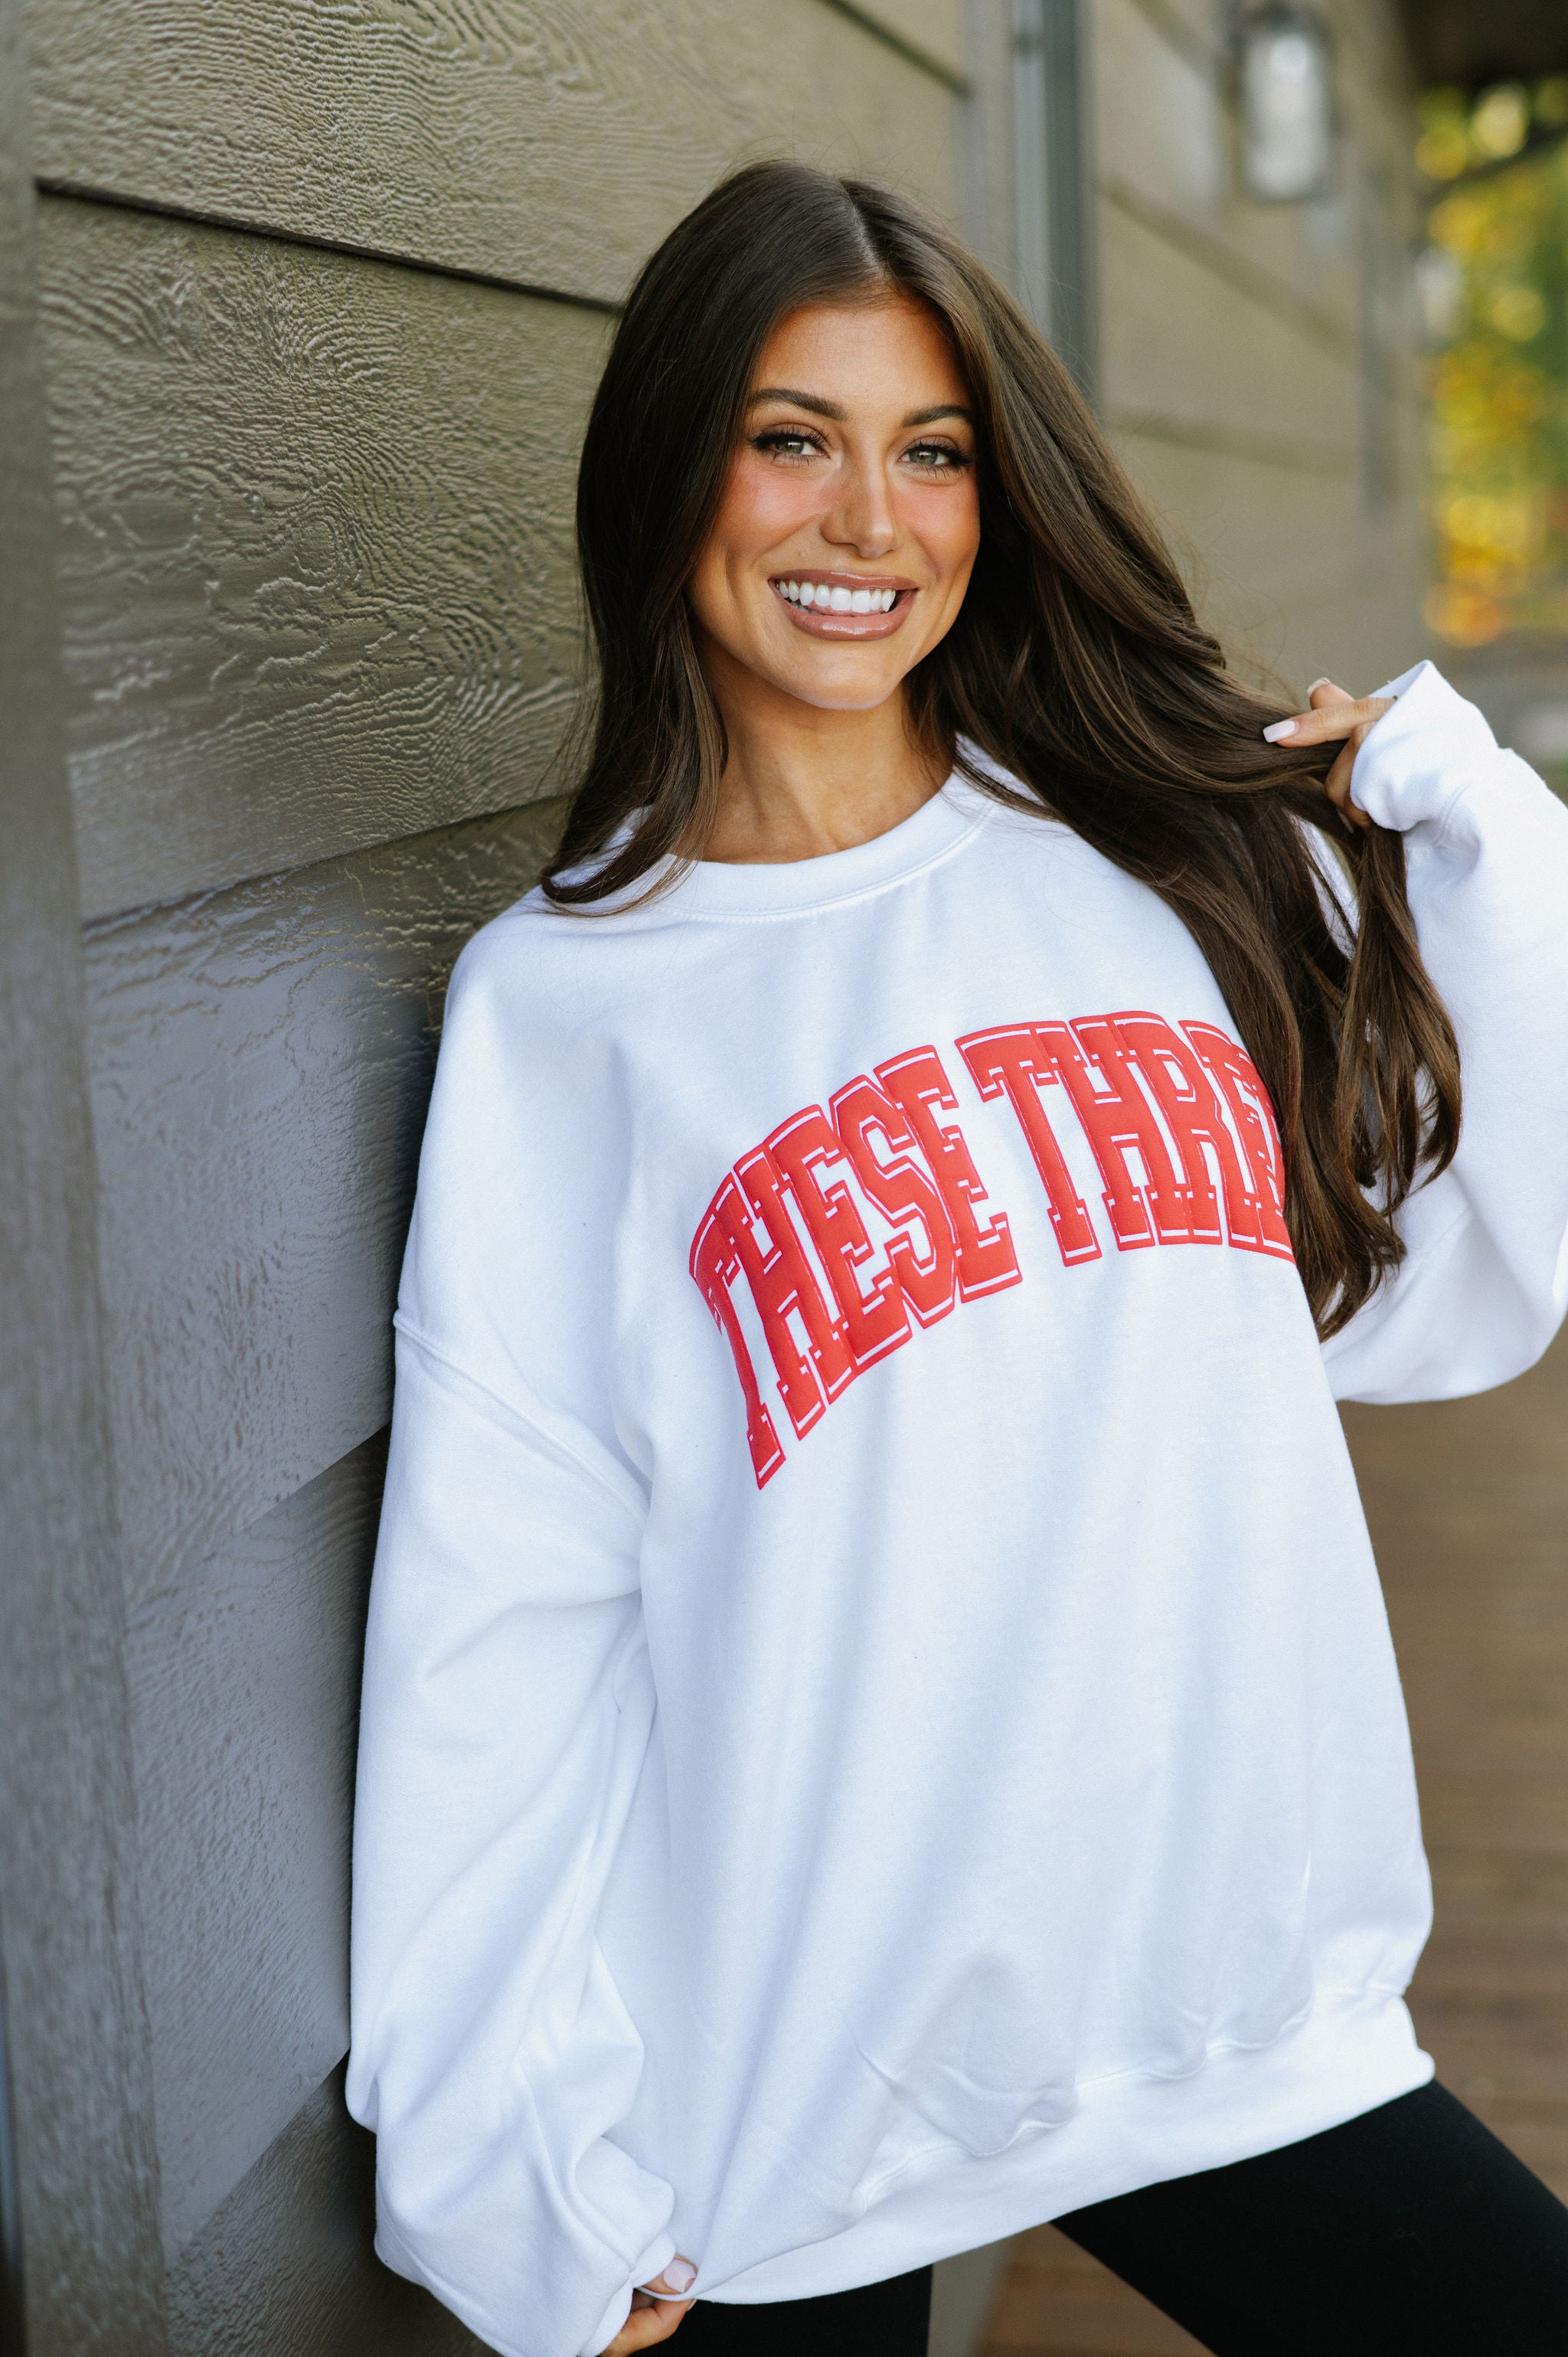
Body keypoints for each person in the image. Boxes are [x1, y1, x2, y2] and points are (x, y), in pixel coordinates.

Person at [345, 163, 1568, 2357]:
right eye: (791, 437)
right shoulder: (564, 1011)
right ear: (671, 468)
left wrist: (1483, 841)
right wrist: (507, 2148)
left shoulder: (1163, 863)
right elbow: (504, 1600)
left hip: (1225, 1995)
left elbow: (1491, 1244)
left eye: (932, 454)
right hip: (802, 2076)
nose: (867, 522)